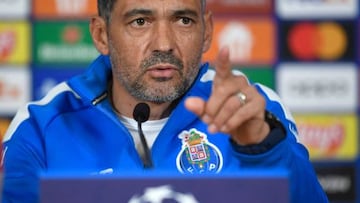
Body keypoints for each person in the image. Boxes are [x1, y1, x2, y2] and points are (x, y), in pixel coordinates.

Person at [2, 0, 328, 202]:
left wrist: (263, 147)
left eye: (183, 20)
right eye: (140, 21)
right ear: (102, 35)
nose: (164, 44)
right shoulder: (40, 126)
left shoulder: (252, 109)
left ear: (208, 31)